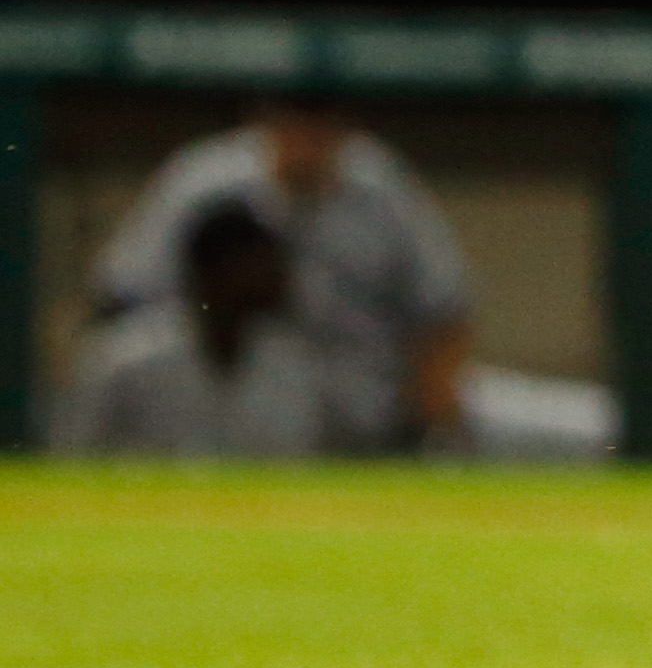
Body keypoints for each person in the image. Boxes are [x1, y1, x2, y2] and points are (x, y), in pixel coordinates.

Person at [87, 97, 472, 452]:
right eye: (295, 121)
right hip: (216, 396)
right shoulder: (204, 181)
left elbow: (443, 310)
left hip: (361, 410)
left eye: (319, 123)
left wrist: (426, 424)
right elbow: (122, 294)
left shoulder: (380, 184)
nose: (306, 138)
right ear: (266, 120)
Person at [57, 201, 325, 457]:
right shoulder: (124, 359)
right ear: (215, 271)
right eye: (260, 262)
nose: (278, 275)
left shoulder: (290, 364)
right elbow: (72, 457)